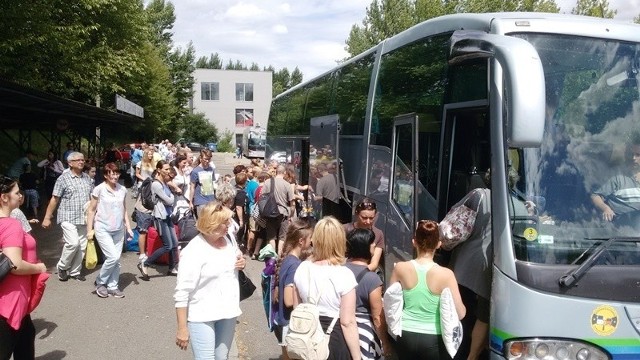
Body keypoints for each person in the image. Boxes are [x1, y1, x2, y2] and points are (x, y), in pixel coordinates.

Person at [174, 201, 246, 359]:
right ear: (212, 224)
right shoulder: (193, 251)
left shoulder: (228, 239)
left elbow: (237, 254)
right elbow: (182, 292)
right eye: (225, 222)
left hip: (228, 311)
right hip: (202, 315)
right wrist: (182, 328)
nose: (229, 224)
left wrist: (241, 261)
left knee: (222, 358)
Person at [390, 220, 466, 359]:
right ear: (438, 244)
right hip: (433, 339)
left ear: (414, 242)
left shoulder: (400, 268)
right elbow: (460, 313)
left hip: (405, 334)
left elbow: (391, 301)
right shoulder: (446, 274)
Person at [293, 216, 361, 360]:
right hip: (333, 339)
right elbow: (347, 322)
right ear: (340, 241)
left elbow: (296, 308)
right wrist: (357, 357)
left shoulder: (302, 268)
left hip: (307, 337)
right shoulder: (344, 274)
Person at [0, 175, 48, 359]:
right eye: (17, 192)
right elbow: (15, 264)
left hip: (13, 298)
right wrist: (40, 268)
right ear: (4, 197)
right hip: (10, 300)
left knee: (26, 339)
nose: (21, 196)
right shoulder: (10, 225)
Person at [42, 152, 92, 282]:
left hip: (84, 217)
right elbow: (54, 198)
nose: (81, 162)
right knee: (73, 243)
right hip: (67, 216)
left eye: (83, 160)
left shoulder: (87, 178)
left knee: (82, 246)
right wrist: (47, 217)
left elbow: (93, 198)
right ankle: (62, 267)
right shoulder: (63, 179)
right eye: (78, 160)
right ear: (70, 163)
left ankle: (75, 271)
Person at [86, 163, 133, 298]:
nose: (115, 176)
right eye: (112, 173)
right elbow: (91, 210)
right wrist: (90, 230)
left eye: (117, 173)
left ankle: (113, 286)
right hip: (103, 228)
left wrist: (128, 227)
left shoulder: (122, 189)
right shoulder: (99, 189)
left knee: (116, 259)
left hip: (118, 229)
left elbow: (124, 210)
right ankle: (100, 282)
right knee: (112, 257)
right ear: (106, 175)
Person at [345, 228, 390, 360]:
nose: (374, 246)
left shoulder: (340, 271)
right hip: (363, 333)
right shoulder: (372, 279)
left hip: (342, 330)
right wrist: (385, 344)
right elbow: (377, 317)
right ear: (364, 247)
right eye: (372, 243)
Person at [272, 219, 314, 359]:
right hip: (289, 323)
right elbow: (289, 301)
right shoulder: (295, 265)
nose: (312, 241)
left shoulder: (287, 259)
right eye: (310, 238)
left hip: (281, 321)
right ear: (301, 241)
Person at [137, 161, 178, 280]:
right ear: (159, 170)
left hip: (167, 216)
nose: (168, 171)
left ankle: (172, 267)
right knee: (168, 245)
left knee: (174, 244)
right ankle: (146, 263)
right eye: (165, 169)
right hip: (160, 217)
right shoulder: (156, 184)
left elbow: (169, 198)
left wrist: (170, 196)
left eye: (168, 169)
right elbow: (170, 200)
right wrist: (172, 196)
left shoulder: (164, 183)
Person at [591, 135, 640, 230]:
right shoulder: (618, 178)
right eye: (632, 154)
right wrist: (605, 208)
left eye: (638, 155)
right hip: (619, 234)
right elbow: (595, 196)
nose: (634, 158)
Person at [343, 199, 385, 272]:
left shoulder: (378, 234)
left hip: (364, 273)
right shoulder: (345, 229)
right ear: (356, 214)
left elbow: (374, 264)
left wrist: (359, 272)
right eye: (364, 218)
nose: (368, 221)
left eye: (371, 218)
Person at [262, 165, 295, 255]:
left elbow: (262, 198)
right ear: (284, 173)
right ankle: (279, 257)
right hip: (283, 213)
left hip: (270, 213)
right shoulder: (287, 185)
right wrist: (290, 215)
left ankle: (272, 258)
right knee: (282, 238)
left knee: (271, 237)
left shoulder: (267, 182)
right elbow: (292, 204)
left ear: (276, 172)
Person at [189, 149, 216, 217]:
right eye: (205, 159)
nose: (207, 161)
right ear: (201, 158)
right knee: (202, 224)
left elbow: (213, 184)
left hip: (211, 200)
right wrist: (191, 202)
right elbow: (192, 187)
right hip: (201, 201)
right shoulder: (195, 171)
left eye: (209, 159)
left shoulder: (211, 169)